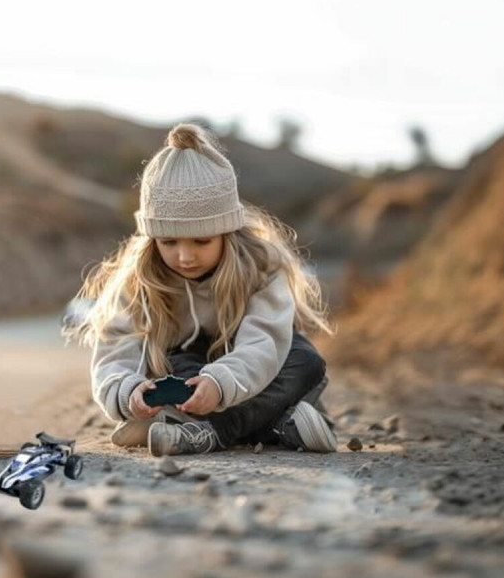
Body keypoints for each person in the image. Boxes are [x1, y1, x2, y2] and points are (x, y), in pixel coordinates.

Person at [66, 123, 336, 457]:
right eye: (168, 242)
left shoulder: (262, 265)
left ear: (227, 232)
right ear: (152, 239)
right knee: (180, 359)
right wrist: (127, 390)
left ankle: (204, 432)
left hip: (251, 376)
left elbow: (264, 343)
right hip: (186, 377)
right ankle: (281, 425)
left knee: (306, 360)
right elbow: (114, 353)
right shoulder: (140, 278)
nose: (184, 256)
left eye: (202, 241)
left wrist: (221, 382)